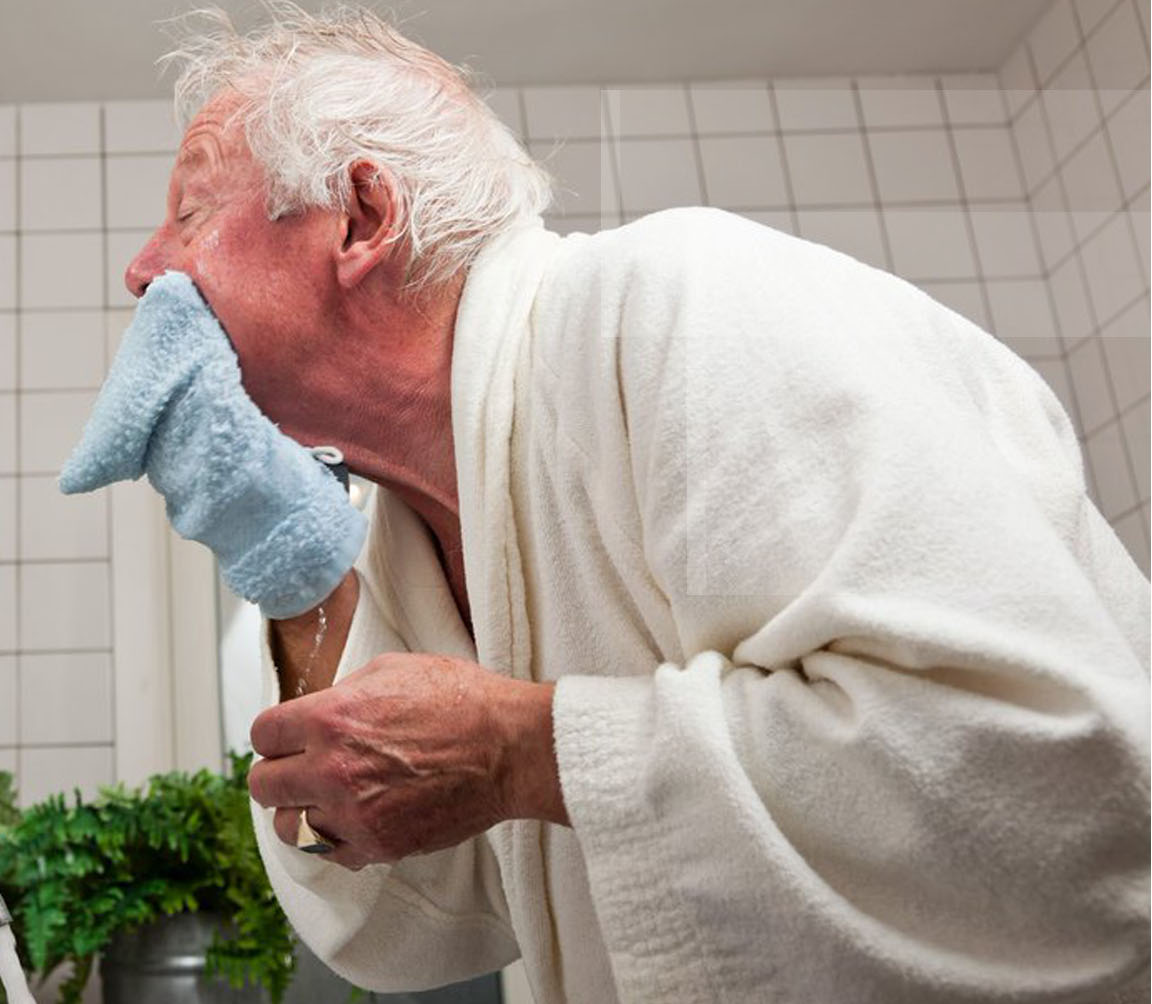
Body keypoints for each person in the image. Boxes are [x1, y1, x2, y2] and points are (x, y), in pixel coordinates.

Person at [69, 3, 1152, 1002]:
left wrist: (526, 751)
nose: (139, 270)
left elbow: (1060, 783)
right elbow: (407, 929)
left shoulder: (685, 299)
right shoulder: (393, 527)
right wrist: (292, 573)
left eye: (191, 211)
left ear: (359, 215)